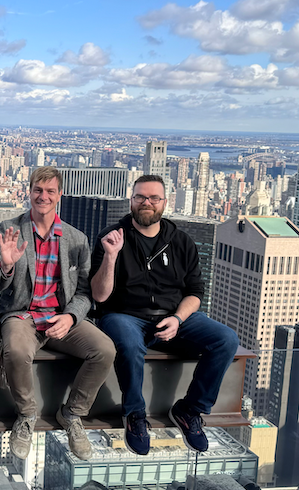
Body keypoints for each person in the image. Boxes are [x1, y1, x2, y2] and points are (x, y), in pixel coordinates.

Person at [89, 174, 240, 455]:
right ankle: (135, 414)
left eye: (153, 198)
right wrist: (111, 256)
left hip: (173, 316)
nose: (146, 203)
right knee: (128, 342)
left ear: (164, 203)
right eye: (140, 197)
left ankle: (190, 409)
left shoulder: (181, 242)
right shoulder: (111, 237)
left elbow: (195, 292)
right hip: (124, 315)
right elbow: (99, 296)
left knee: (226, 339)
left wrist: (178, 319)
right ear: (131, 201)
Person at [0, 166, 116, 461]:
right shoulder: (10, 229)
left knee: (105, 350)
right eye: (37, 190)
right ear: (29, 192)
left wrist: (70, 317)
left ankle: (72, 414)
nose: (43, 196)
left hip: (61, 316)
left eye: (49, 191)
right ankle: (26, 415)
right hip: (21, 314)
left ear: (59, 195)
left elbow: (84, 293)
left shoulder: (76, 239)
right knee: (16, 351)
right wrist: (6, 265)